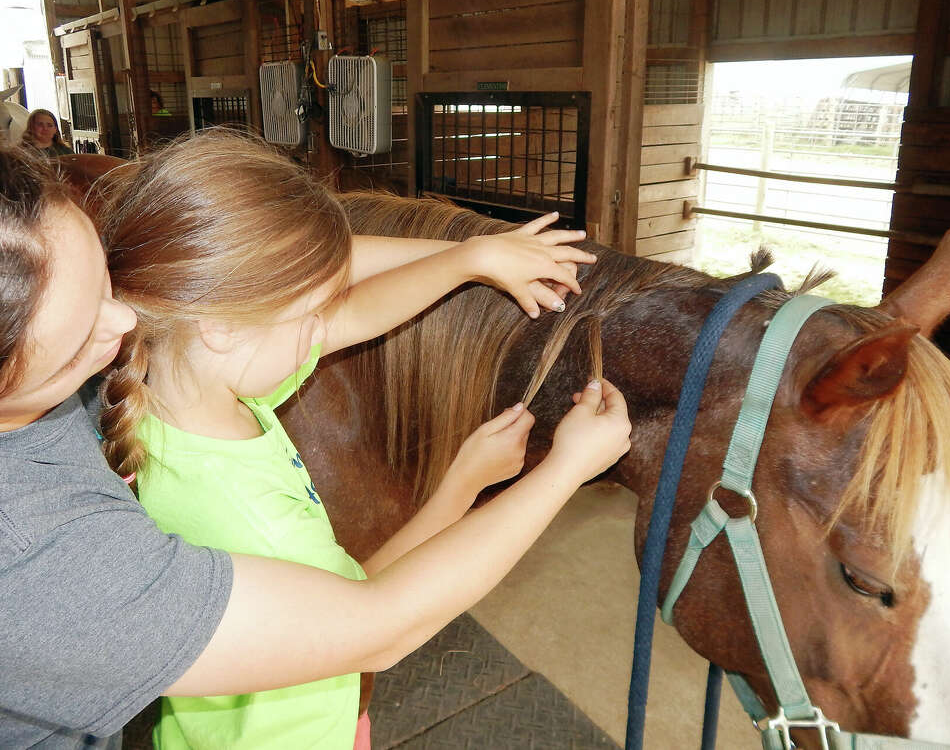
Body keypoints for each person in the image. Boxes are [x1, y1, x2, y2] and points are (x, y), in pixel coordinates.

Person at [0, 128, 633, 749]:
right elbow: (379, 624)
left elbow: (282, 291)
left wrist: (469, 255)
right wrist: (558, 472)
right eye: (85, 325)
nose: (123, 323)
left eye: (108, 285)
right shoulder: (22, 569)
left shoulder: (148, 371)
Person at [95, 133, 594, 749]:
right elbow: (375, 618)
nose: (321, 330)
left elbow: (349, 316)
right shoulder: (255, 516)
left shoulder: (179, 397)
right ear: (221, 324)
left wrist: (471, 256)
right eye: (309, 313)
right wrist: (540, 471)